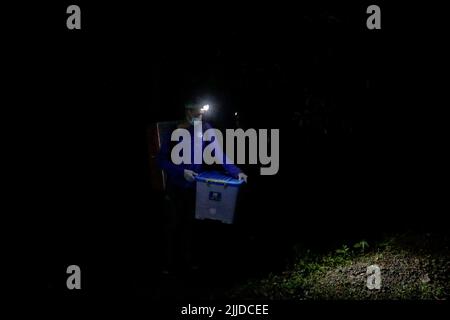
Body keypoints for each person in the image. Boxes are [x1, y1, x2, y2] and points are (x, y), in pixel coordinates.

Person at [157, 99, 247, 274]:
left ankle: (187, 261)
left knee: (190, 224)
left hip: (194, 185)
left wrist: (237, 172)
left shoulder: (206, 128)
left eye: (202, 113)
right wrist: (181, 171)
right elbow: (161, 160)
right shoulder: (175, 131)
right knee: (173, 224)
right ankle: (167, 265)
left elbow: (219, 154)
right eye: (197, 113)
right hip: (176, 186)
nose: (201, 116)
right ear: (188, 111)